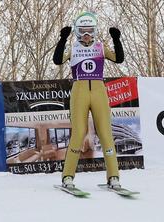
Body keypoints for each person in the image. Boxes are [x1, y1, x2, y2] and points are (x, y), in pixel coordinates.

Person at [53, 12, 124, 189]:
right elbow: (57, 60)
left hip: (99, 90)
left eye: (90, 31)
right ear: (78, 32)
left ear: (94, 31)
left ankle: (113, 177)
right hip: (80, 90)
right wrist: (62, 39)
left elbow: (119, 58)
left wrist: (116, 39)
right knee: (78, 133)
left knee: (106, 133)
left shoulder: (100, 46)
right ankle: (67, 177)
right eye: (83, 31)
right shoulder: (74, 48)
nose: (87, 35)